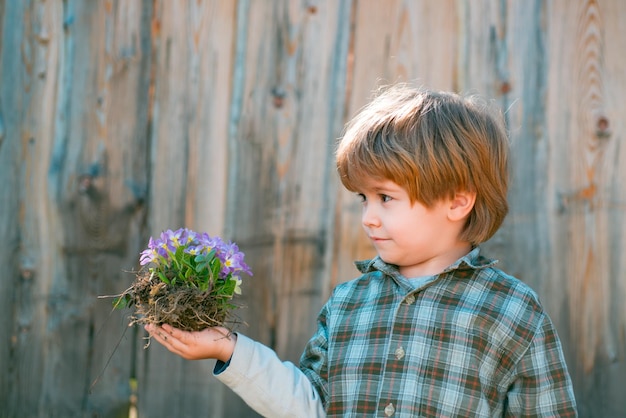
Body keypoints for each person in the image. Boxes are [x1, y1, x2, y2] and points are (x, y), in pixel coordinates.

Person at [146, 84, 578, 417]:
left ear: (457, 201)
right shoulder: (348, 305)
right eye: (363, 199)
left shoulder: (512, 312)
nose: (368, 217)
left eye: (386, 198)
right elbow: (311, 406)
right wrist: (228, 348)